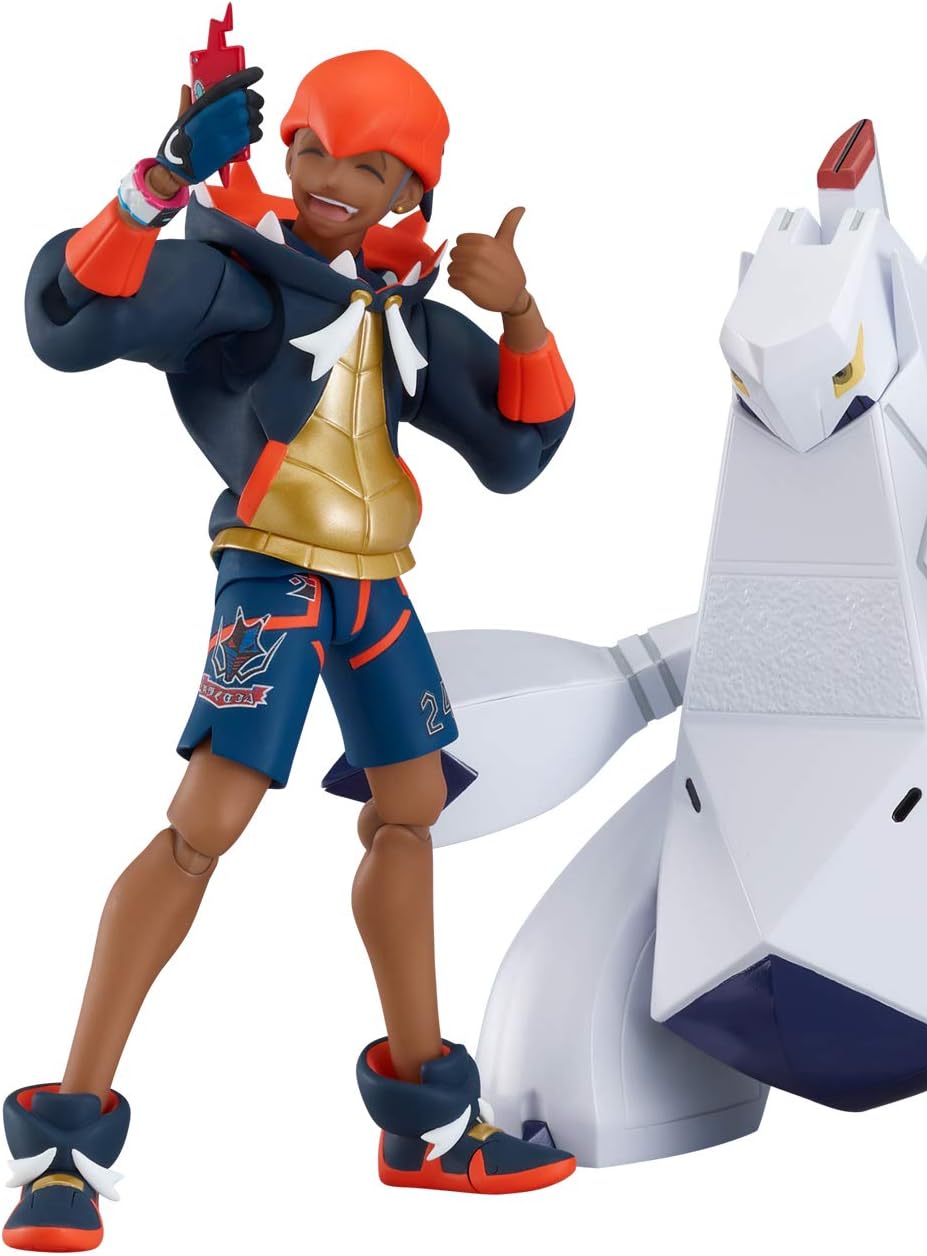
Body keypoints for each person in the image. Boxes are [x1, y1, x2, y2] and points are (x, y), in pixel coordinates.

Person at [6, 49, 576, 1253]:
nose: (332, 181)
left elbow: (519, 448)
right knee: (202, 826)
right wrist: (159, 182)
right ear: (288, 148)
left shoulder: (404, 316)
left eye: (368, 168)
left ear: (408, 189)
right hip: (272, 581)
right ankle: (65, 1139)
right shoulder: (243, 286)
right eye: (315, 149)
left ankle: (425, 1119)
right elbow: (76, 316)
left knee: (410, 810)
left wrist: (520, 310)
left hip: (377, 590)